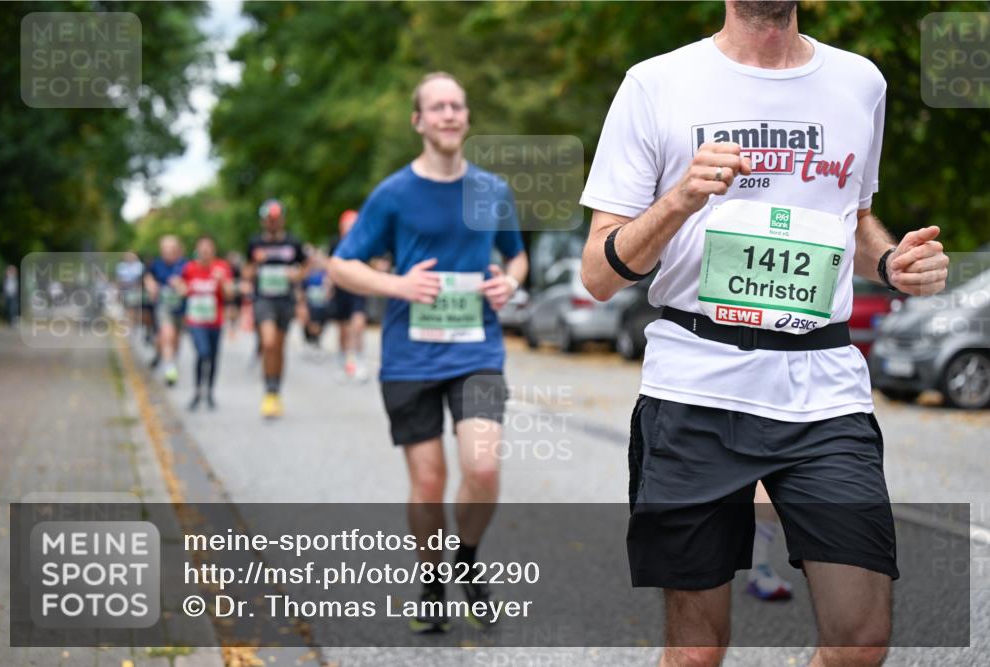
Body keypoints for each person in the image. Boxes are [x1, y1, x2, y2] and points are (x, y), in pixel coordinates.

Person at [578, 2, 949, 665]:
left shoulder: (860, 81)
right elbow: (599, 273)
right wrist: (680, 199)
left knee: (862, 642)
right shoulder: (655, 83)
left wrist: (892, 262)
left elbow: (852, 219)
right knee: (696, 651)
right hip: (695, 386)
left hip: (825, 390)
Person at [329, 72, 528, 634]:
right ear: (418, 121)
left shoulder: (492, 191)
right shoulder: (392, 194)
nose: (448, 114)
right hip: (409, 358)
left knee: (483, 467)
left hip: (477, 350)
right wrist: (397, 286)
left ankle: (464, 556)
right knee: (428, 482)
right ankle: (432, 580)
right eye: (436, 107)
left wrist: (509, 284)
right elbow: (343, 264)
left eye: (457, 106)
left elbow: (516, 259)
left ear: (466, 117)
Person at [245, 199, 306, 418]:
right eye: (269, 220)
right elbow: (246, 272)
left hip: (285, 300)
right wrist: (255, 264)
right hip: (263, 299)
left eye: (276, 219)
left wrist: (297, 274)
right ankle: (268, 392)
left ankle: (275, 390)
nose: (272, 223)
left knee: (279, 348)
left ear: (282, 220)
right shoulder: (255, 243)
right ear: (263, 221)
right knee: (268, 343)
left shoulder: (293, 242)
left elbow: (306, 265)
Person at [180, 236, 234, 410]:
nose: (205, 252)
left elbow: (230, 294)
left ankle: (209, 392)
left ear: (213, 250)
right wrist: (181, 288)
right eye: (202, 248)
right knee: (202, 353)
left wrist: (222, 281)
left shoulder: (222, 268)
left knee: (213, 356)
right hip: (195, 320)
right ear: (197, 250)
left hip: (214, 320)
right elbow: (182, 289)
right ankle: (197, 391)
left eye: (208, 248)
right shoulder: (189, 269)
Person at [329, 210, 369, 381]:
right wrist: (328, 285)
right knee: (344, 330)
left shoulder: (365, 242)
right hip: (341, 290)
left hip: (359, 289)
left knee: (358, 325)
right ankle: (343, 363)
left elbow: (371, 262)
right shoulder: (335, 243)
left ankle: (359, 362)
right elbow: (330, 266)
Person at [144, 236, 187, 386]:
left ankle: (171, 360)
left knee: (177, 338)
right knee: (167, 334)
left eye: (171, 249)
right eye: (165, 249)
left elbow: (190, 281)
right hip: (164, 306)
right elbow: (148, 277)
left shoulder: (185, 264)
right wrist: (151, 285)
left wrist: (182, 286)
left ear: (178, 250)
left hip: (181, 308)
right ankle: (169, 367)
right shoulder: (156, 264)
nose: (168, 252)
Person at [299, 246, 330, 358]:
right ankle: (311, 343)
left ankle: (315, 343)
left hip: (322, 304)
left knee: (320, 325)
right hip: (310, 303)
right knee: (311, 324)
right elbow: (302, 288)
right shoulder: (308, 273)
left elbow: (330, 289)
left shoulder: (326, 273)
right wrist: (302, 304)